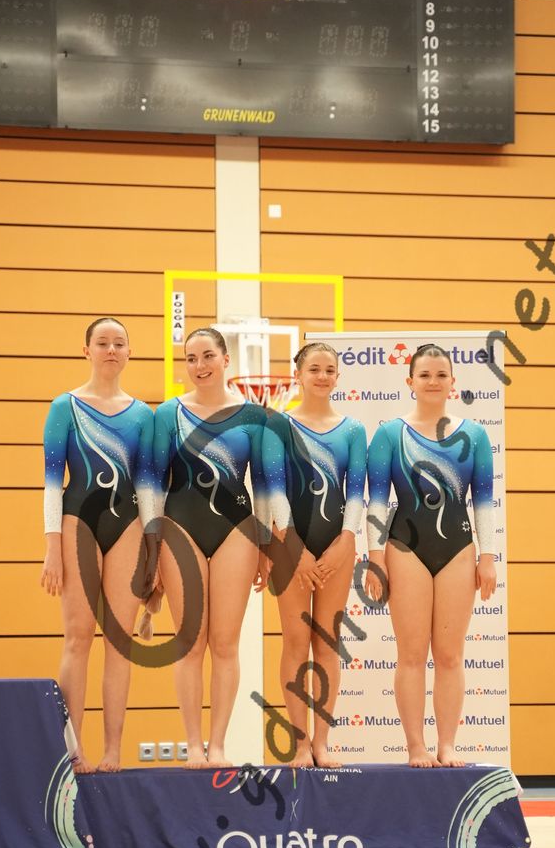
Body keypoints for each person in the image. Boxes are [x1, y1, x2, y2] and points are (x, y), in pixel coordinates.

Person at [152, 328, 280, 768]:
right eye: (191, 358)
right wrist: (152, 544)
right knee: (190, 642)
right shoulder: (167, 414)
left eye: (208, 355)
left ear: (226, 360)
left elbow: (265, 486)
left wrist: (266, 546)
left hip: (236, 531)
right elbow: (153, 484)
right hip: (179, 528)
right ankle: (193, 743)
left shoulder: (254, 416)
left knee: (225, 644)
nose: (200, 365)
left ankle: (219, 743)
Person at [365, 343, 497, 768]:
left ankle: (447, 744)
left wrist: (488, 557)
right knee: (410, 654)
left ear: (453, 382)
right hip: (405, 548)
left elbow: (483, 502)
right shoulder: (390, 434)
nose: (433, 381)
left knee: (450, 655)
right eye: (425, 375)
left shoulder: (474, 435)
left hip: (458, 548)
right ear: (410, 381)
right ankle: (415, 746)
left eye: (441, 375)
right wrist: (375, 556)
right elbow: (376, 501)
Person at [40, 318, 155, 773]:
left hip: (128, 525)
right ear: (86, 350)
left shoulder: (143, 415)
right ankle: (73, 750)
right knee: (78, 638)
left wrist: (153, 547)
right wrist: (52, 547)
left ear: (129, 352)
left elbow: (147, 486)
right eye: (102, 343)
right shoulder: (64, 407)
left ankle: (112, 751)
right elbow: (53, 484)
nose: (111, 350)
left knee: (119, 642)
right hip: (78, 524)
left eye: (119, 343)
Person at [269, 343, 367, 767]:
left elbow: (357, 491)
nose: (322, 376)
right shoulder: (278, 425)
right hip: (289, 545)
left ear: (337, 376)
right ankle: (300, 743)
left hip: (337, 546)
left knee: (327, 643)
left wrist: (346, 539)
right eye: (314, 369)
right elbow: (274, 489)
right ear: (298, 375)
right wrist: (296, 548)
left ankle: (322, 743)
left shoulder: (352, 430)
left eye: (329, 369)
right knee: (295, 641)